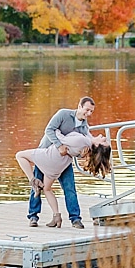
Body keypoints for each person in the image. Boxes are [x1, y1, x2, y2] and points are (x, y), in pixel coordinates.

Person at [24, 97, 100, 228]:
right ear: (79, 106)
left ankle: (75, 219)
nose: (88, 114)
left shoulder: (84, 127)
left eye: (91, 111)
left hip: (64, 161)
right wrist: (59, 146)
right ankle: (33, 216)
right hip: (46, 154)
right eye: (87, 110)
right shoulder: (63, 114)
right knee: (37, 184)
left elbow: (82, 146)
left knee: (70, 188)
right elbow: (49, 130)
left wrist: (83, 155)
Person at [16, 129, 111, 227]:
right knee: (43, 188)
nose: (103, 137)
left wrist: (78, 152)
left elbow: (56, 133)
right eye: (87, 112)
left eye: (104, 141)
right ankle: (36, 216)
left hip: (51, 156)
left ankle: (74, 219)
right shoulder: (67, 117)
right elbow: (52, 129)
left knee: (66, 188)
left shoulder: (84, 136)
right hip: (51, 154)